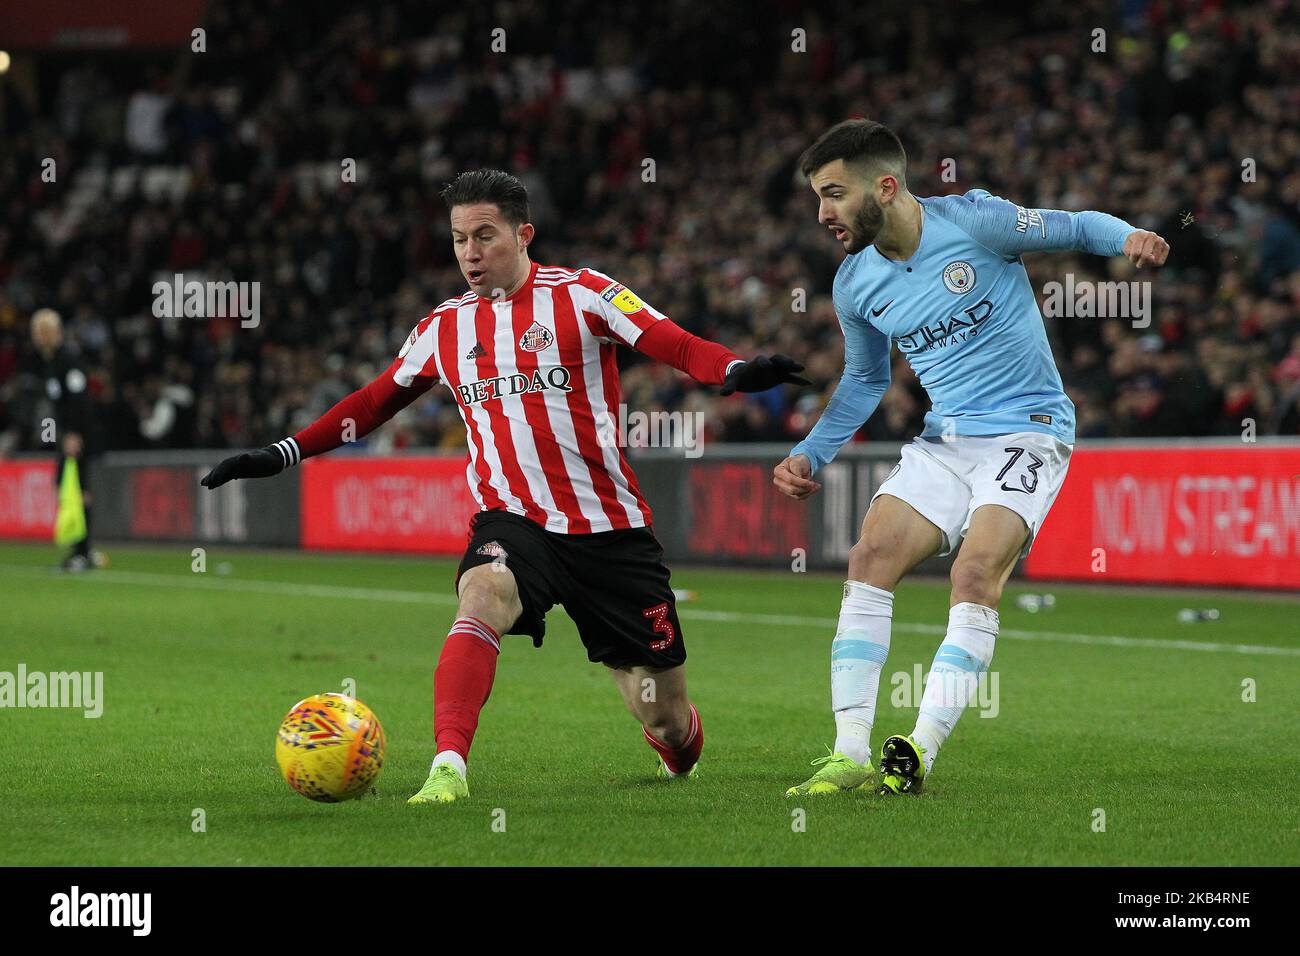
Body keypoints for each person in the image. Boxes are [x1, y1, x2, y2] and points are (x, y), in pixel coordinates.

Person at [201, 169, 807, 803]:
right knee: (481, 594)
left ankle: (675, 745)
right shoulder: (444, 328)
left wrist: (734, 367)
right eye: (459, 238)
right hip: (514, 521)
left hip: (611, 531)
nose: (469, 252)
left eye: (484, 236)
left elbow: (672, 343)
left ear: (523, 235)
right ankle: (448, 767)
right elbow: (374, 401)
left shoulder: (585, 294)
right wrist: (283, 451)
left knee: (662, 712)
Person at [775, 120, 1169, 797]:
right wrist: (813, 451)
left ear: (886, 186)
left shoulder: (978, 223)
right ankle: (848, 753)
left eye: (835, 194)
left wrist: (1125, 235)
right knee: (870, 558)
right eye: (818, 198)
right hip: (947, 441)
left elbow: (1072, 226)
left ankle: (919, 749)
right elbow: (868, 379)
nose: (823, 214)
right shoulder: (854, 284)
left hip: (1028, 431)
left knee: (976, 569)